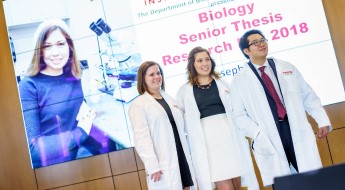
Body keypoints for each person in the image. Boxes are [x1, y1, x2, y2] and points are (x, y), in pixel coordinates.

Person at [230, 29, 332, 188]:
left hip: (294, 129)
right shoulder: (239, 81)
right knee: (282, 184)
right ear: (246, 51)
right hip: (268, 136)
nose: (261, 44)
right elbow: (239, 116)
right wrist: (257, 134)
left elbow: (307, 95)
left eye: (263, 40)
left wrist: (322, 120)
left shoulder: (286, 67)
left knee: (312, 181)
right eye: (255, 42)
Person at [18, 19, 103, 168]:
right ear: (39, 50)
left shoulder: (74, 75)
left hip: (79, 156)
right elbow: (33, 149)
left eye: (61, 44)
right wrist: (80, 132)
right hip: (52, 168)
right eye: (47, 46)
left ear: (70, 47)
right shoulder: (29, 86)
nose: (55, 53)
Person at [176, 47, 258, 190]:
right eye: (199, 60)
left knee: (236, 183)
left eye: (207, 59)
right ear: (192, 65)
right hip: (208, 145)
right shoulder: (185, 91)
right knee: (224, 184)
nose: (204, 63)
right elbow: (180, 121)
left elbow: (238, 110)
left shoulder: (223, 84)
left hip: (230, 139)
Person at [128, 61, 195, 190]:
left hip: (181, 155)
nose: (157, 77)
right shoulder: (139, 105)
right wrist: (153, 166)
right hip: (163, 161)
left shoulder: (170, 100)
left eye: (158, 73)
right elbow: (142, 139)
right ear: (143, 79)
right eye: (151, 74)